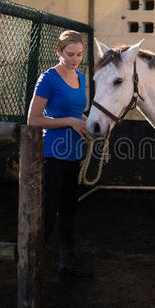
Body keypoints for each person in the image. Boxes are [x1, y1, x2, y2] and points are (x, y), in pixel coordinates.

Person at [27, 30, 93, 277]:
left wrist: (88, 122)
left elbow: (77, 112)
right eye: (69, 54)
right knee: (47, 216)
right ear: (58, 52)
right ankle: (31, 267)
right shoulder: (48, 79)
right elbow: (33, 120)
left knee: (68, 212)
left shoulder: (82, 78)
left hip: (74, 153)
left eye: (79, 54)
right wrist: (69, 122)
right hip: (52, 154)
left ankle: (67, 264)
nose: (75, 59)